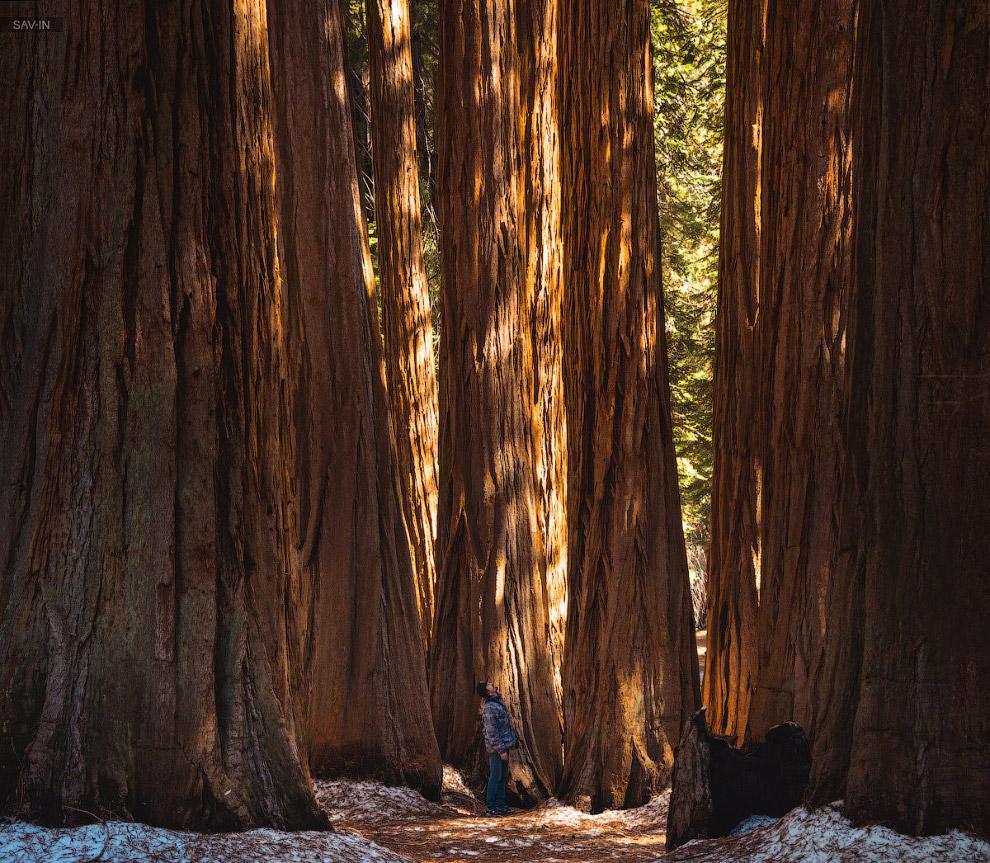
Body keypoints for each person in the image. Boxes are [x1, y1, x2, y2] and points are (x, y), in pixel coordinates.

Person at [476, 680, 517, 817]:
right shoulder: (489, 708)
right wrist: (501, 750)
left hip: (505, 746)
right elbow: (491, 732)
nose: (492, 684)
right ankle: (491, 807)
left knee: (503, 776)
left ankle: (501, 805)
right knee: (495, 776)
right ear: (486, 691)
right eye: (488, 684)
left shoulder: (498, 701)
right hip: (496, 749)